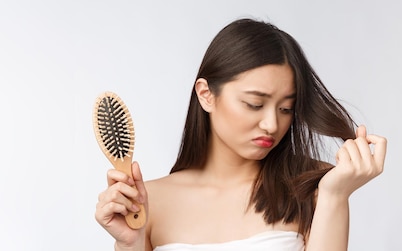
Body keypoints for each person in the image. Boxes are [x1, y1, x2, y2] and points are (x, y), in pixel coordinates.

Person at [94, 17, 388, 251]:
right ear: (206, 95)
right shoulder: (149, 203)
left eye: (287, 108)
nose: (271, 124)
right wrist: (128, 244)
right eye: (254, 104)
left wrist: (334, 195)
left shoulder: (311, 189)